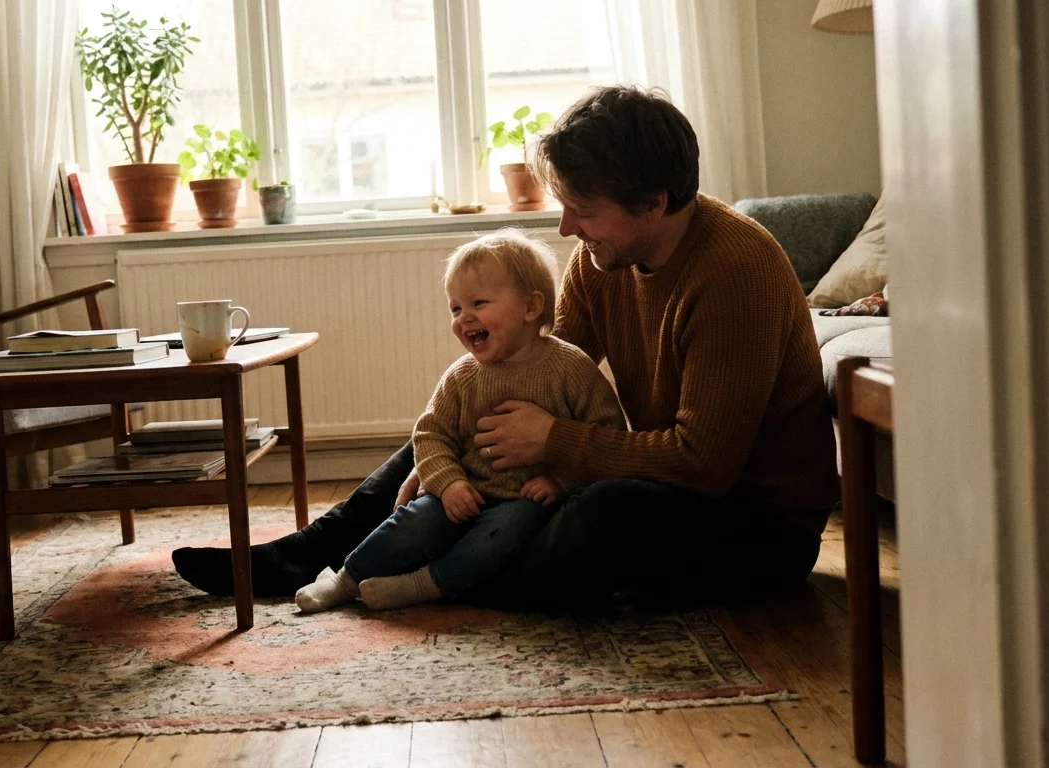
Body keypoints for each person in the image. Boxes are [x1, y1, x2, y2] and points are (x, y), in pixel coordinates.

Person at [173, 85, 840, 610]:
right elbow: (521, 379)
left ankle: (439, 572)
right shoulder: (602, 260)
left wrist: (554, 440)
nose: (566, 226)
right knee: (467, 410)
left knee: (599, 514)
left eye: (583, 207)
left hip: (755, 527)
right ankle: (316, 552)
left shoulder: (735, 272)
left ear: (654, 203)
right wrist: (440, 468)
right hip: (671, 484)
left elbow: (704, 465)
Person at [293, 230, 625, 614]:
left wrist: (559, 482)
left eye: (479, 303)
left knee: (502, 535)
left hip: (525, 502)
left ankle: (425, 584)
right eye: (455, 309)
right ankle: (344, 579)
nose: (464, 318)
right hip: (463, 489)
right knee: (414, 520)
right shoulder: (462, 375)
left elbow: (605, 434)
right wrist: (447, 482)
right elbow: (431, 434)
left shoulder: (570, 369)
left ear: (531, 308)